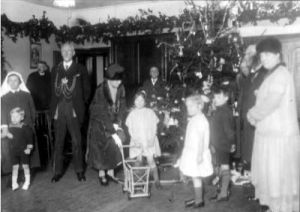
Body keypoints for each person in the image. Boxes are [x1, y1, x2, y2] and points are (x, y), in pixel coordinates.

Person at [247, 37, 299, 212]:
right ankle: (277, 207)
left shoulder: (280, 74)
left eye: (268, 55)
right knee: (275, 176)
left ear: (278, 55)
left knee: (277, 176)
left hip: (278, 137)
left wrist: (252, 113)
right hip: (274, 135)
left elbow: (272, 101)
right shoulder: (276, 74)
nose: (264, 59)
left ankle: (280, 208)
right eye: (262, 56)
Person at [50, 42, 90, 182]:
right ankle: (57, 172)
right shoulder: (55, 69)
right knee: (58, 142)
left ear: (74, 53)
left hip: (74, 109)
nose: (66, 53)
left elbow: (87, 90)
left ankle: (79, 171)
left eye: (69, 51)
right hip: (59, 109)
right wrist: (54, 109)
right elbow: (52, 91)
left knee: (77, 141)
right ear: (61, 53)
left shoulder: (80, 68)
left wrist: (79, 106)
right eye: (63, 51)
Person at [86, 63, 127, 186]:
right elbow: (102, 113)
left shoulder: (121, 88)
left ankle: (110, 173)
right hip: (99, 123)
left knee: (113, 147)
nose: (119, 82)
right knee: (101, 148)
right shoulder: (101, 90)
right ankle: (102, 174)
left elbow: (123, 107)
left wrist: (118, 123)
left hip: (113, 122)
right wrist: (112, 130)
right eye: (116, 80)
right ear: (109, 79)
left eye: (120, 80)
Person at [177, 94, 213, 208]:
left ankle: (199, 201)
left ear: (200, 106)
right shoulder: (194, 119)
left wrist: (199, 155)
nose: (189, 109)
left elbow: (202, 139)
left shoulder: (201, 121)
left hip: (197, 152)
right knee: (194, 176)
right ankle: (198, 198)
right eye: (187, 107)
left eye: (191, 106)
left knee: (196, 176)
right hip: (191, 151)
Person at [1, 71, 40, 174]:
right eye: (11, 81)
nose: (13, 83)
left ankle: (26, 173)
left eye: (15, 80)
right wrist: (5, 127)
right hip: (12, 129)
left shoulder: (26, 95)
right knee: (12, 152)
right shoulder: (4, 97)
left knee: (27, 150)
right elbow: (3, 113)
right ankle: (13, 175)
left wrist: (31, 123)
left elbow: (32, 110)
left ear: (19, 82)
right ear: (7, 82)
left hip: (26, 127)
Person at [237, 45, 268, 167]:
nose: (246, 58)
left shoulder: (265, 74)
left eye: (249, 55)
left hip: (258, 119)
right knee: (250, 148)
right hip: (248, 116)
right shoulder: (250, 76)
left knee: (258, 149)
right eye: (246, 55)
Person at [125, 91, 162, 188]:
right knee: (139, 160)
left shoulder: (150, 112)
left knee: (150, 160)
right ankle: (139, 181)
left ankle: (157, 180)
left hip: (148, 140)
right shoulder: (132, 114)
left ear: (145, 101)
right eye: (137, 100)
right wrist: (135, 140)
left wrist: (152, 138)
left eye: (142, 100)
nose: (139, 102)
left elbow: (154, 126)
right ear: (134, 102)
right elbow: (130, 129)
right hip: (137, 141)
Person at [209, 86, 235, 201]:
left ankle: (224, 193)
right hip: (218, 143)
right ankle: (221, 191)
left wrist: (232, 143)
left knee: (224, 166)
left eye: (219, 97)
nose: (216, 99)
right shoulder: (219, 110)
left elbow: (229, 130)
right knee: (220, 167)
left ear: (226, 98)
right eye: (215, 97)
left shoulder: (224, 112)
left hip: (223, 144)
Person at [1, 108, 34, 190]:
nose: (14, 118)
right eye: (12, 116)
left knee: (25, 166)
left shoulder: (25, 127)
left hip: (23, 149)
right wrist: (7, 135)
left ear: (22, 117)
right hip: (13, 150)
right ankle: (14, 183)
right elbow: (8, 136)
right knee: (14, 167)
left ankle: (27, 182)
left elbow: (30, 139)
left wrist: (29, 148)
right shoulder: (9, 126)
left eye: (16, 116)